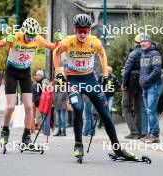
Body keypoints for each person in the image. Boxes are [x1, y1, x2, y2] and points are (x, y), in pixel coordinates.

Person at [53, 14, 136, 161]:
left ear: (90, 29)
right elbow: (56, 52)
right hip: (73, 81)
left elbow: (102, 54)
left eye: (86, 30)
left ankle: (118, 149)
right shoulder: (68, 42)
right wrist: (58, 72)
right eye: (80, 30)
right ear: (75, 29)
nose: (83, 34)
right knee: (78, 108)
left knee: (106, 115)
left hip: (90, 80)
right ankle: (78, 144)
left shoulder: (94, 42)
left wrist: (105, 75)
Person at [0, 18, 57, 147]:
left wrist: (58, 40)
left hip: (25, 73)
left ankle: (26, 136)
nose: (31, 38)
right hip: (11, 72)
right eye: (29, 35)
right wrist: (5, 41)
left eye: (33, 35)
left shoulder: (37, 39)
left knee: (28, 106)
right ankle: (4, 131)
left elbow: (54, 47)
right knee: (10, 106)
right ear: (24, 31)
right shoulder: (16, 37)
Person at [138, 34, 162, 143]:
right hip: (145, 87)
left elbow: (157, 71)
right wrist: (142, 82)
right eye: (141, 42)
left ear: (149, 42)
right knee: (149, 111)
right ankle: (151, 134)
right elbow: (143, 71)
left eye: (145, 41)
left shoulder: (155, 53)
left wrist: (146, 81)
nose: (142, 43)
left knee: (151, 111)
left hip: (153, 86)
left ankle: (154, 135)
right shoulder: (143, 53)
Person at [121, 34, 143, 139]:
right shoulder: (146, 53)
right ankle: (138, 132)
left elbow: (127, 70)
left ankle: (134, 133)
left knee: (126, 107)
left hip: (131, 82)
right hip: (142, 81)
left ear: (135, 42)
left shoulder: (133, 54)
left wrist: (124, 84)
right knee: (138, 107)